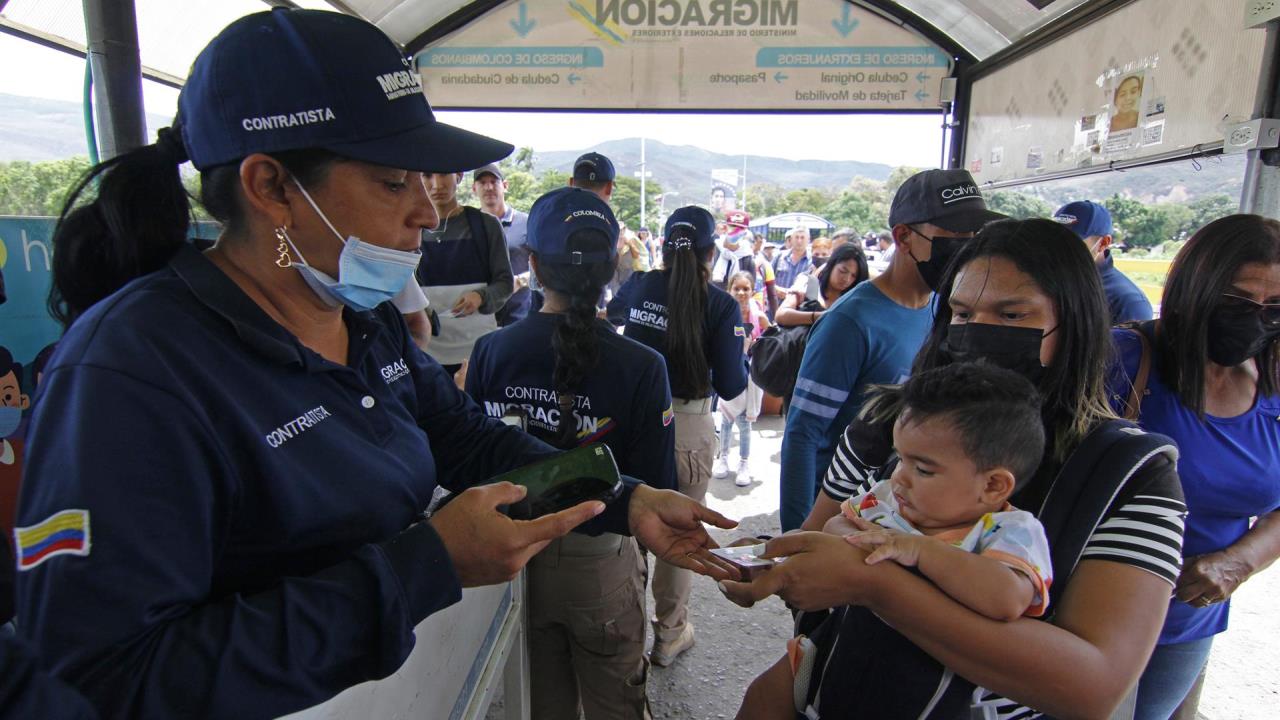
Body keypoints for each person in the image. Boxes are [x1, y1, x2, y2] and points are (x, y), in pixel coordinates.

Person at [14, 10, 737, 718]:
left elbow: (466, 436)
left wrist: (622, 495)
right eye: (395, 184)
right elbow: (106, 677)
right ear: (271, 187)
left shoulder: (363, 320)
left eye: (427, 182)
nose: (427, 212)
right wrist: (426, 566)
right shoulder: (131, 375)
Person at [730, 218, 1187, 720]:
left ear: (1074, 322)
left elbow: (1092, 687)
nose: (980, 333)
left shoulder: (1132, 475)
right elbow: (821, 535)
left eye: (1012, 315)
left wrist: (875, 585)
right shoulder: (890, 419)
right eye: (963, 313)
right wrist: (771, 566)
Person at [465, 187, 676, 720]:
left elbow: (474, 460)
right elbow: (655, 484)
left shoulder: (491, 350)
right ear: (612, 268)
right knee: (616, 701)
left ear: (532, 264)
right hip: (601, 565)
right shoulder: (642, 365)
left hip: (512, 564)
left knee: (543, 703)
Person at [740, 362, 1053, 719]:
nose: (900, 477)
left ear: (993, 485)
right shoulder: (889, 499)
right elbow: (836, 526)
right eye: (900, 458)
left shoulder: (1008, 531)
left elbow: (1007, 598)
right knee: (763, 695)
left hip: (927, 695)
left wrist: (920, 550)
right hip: (838, 659)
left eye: (922, 469)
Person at [1107, 215, 1280, 720]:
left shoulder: (1274, 375)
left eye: (1274, 308)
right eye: (1236, 301)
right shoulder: (1124, 359)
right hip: (1093, 614)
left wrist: (1238, 562)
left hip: (1188, 621)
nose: (1255, 320)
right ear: (1193, 290)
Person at [778, 169, 1002, 531]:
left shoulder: (947, 310)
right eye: (954, 236)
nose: (967, 247)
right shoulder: (850, 322)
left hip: (899, 514)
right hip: (840, 514)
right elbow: (803, 434)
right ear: (903, 237)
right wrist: (797, 537)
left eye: (973, 236)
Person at [606, 206, 748, 667]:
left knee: (626, 529)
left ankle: (622, 632)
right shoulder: (721, 305)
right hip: (687, 427)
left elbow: (613, 313)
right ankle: (669, 634)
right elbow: (732, 385)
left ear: (664, 248)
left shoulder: (644, 284)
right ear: (711, 253)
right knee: (678, 535)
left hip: (630, 423)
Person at [419, 168, 513, 376]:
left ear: (459, 176)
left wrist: (481, 296)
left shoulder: (485, 225)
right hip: (426, 355)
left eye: (443, 174)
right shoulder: (412, 229)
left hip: (478, 352)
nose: (437, 184)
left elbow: (505, 282)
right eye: (427, 175)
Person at [713, 271, 771, 487]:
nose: (741, 292)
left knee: (745, 424)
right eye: (736, 288)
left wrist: (754, 348)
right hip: (729, 374)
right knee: (726, 421)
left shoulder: (759, 316)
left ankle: (743, 463)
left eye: (746, 288)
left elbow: (773, 340)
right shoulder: (723, 314)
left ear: (752, 290)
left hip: (751, 379)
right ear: (729, 290)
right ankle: (723, 458)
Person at [1055, 200, 1153, 324]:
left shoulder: (1128, 303)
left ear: (1103, 243)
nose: (1057, 248)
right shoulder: (1045, 282)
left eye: (1070, 243)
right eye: (1053, 240)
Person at [472, 163, 532, 327]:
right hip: (477, 320)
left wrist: (520, 281)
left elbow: (546, 268)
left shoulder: (527, 223)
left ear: (505, 186)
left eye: (494, 181)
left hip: (519, 319)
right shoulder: (469, 226)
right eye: (482, 183)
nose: (488, 187)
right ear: (474, 188)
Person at [774, 243, 869, 328]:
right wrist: (819, 316)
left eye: (853, 276)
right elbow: (781, 315)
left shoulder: (853, 300)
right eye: (843, 271)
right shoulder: (807, 285)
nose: (846, 279)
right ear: (832, 265)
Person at [710, 211, 754, 288]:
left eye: (741, 228)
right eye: (733, 226)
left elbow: (750, 286)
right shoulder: (713, 249)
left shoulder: (747, 255)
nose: (736, 230)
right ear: (725, 227)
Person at [771, 226, 812, 299]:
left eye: (802, 238)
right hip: (777, 305)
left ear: (808, 240)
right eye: (796, 237)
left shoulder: (812, 261)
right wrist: (776, 289)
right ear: (791, 239)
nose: (799, 241)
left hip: (799, 308)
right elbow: (767, 279)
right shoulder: (779, 257)